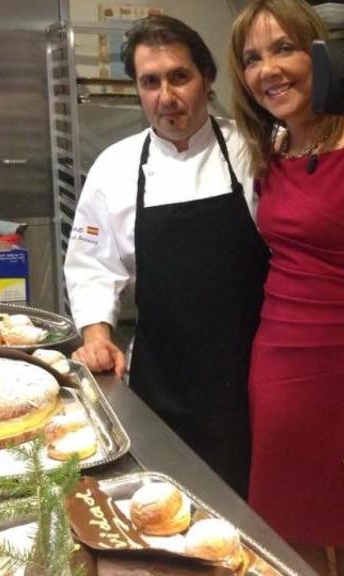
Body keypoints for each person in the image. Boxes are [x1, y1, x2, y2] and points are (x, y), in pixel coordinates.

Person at [228, 1, 344, 574]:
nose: (269, 70)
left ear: (320, 55)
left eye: (283, 48)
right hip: (278, 369)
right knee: (289, 538)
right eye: (252, 58)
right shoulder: (269, 153)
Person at [64, 15, 268, 497]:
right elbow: (93, 264)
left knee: (250, 513)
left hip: (250, 378)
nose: (166, 96)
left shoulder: (253, 149)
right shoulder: (114, 167)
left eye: (180, 77)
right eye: (150, 82)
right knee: (169, 505)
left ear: (207, 77)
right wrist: (97, 337)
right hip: (162, 382)